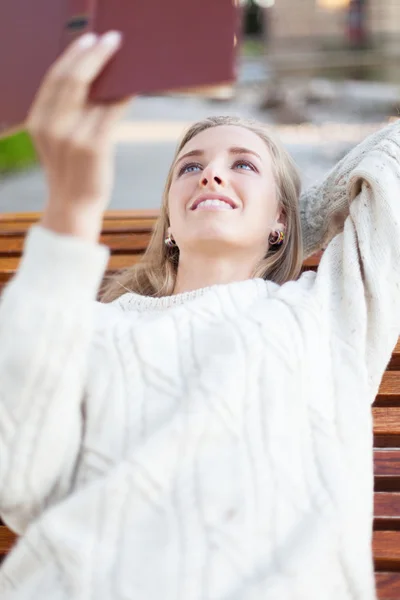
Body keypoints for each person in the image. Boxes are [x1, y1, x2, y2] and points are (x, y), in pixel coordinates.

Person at [0, 29, 399, 600]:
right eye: (190, 169)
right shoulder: (91, 326)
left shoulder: (328, 312)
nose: (212, 174)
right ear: (168, 220)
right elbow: (17, 479)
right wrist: (72, 209)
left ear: (281, 216)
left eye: (244, 166)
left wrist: (293, 225)